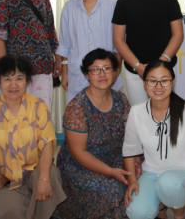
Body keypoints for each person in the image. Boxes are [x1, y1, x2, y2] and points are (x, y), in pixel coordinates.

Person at [0, 55, 66, 219]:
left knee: (49, 181)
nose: (14, 85)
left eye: (19, 78)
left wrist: (43, 178)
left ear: (27, 81)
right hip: (8, 178)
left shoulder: (38, 107)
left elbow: (47, 143)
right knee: (12, 212)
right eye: (7, 79)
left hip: (37, 170)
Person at [123, 61, 185, 219]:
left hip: (184, 176)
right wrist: (132, 181)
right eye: (152, 81)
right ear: (144, 84)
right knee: (137, 212)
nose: (158, 86)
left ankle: (179, 215)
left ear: (173, 82)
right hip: (151, 174)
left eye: (164, 80)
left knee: (169, 183)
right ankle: (161, 206)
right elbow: (130, 151)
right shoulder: (136, 112)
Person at [53, 48, 129, 219]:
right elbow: (79, 152)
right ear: (87, 75)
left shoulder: (121, 100)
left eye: (107, 68)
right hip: (81, 165)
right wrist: (110, 171)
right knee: (112, 190)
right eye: (95, 70)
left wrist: (133, 163)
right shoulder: (77, 107)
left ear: (115, 72)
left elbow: (130, 138)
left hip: (115, 157)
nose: (102, 74)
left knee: (142, 176)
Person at [112, 0, 183, 105]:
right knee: (140, 115)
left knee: (166, 114)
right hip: (135, 71)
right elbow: (118, 39)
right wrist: (138, 67)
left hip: (165, 68)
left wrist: (162, 62)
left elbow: (178, 34)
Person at [56, 0, 122, 102]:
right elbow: (65, 45)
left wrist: (116, 72)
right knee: (78, 119)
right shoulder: (69, 7)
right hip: (77, 75)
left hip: (106, 75)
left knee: (107, 118)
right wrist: (65, 73)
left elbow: (119, 44)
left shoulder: (112, 4)